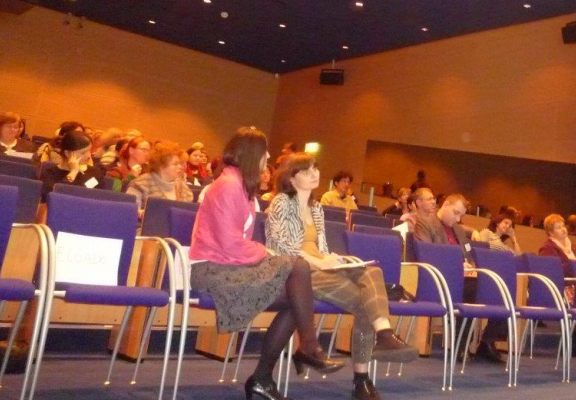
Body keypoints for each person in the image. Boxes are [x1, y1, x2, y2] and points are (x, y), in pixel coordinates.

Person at [189, 128, 344, 400]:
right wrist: (266, 252)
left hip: (230, 265)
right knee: (298, 271)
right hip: (212, 270)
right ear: (251, 154)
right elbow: (231, 244)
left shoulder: (239, 185)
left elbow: (235, 246)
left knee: (299, 294)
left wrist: (264, 254)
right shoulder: (228, 186)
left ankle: (267, 375)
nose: (269, 157)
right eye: (265, 152)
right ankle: (304, 350)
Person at [267, 153, 417, 400]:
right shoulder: (281, 203)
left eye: (315, 168)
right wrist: (319, 261)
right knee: (367, 304)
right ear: (291, 178)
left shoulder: (316, 208)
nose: (315, 174)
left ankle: (384, 335)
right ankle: (363, 377)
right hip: (298, 274)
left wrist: (336, 258)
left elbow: (321, 248)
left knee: (373, 272)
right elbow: (282, 247)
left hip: (322, 267)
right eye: (307, 171)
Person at [414, 194, 507, 363]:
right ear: (445, 205)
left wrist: (469, 265)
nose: (457, 219)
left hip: (464, 277)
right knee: (472, 289)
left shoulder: (458, 229)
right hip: (439, 279)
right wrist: (456, 264)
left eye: (461, 215)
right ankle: (460, 345)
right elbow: (426, 254)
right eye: (455, 213)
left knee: (498, 287)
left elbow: (468, 256)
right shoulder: (425, 223)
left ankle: (487, 341)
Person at [539, 213, 576, 357]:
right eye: (558, 228)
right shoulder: (547, 248)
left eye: (563, 226)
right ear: (550, 232)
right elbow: (555, 271)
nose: (563, 229)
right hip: (560, 288)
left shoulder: (574, 248)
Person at [126, 140, 194, 213]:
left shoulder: (182, 187)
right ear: (161, 166)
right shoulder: (140, 184)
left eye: (180, 163)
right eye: (175, 164)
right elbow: (130, 213)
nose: (180, 167)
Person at [38, 130, 106, 200]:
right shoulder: (50, 174)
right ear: (67, 153)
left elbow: (102, 199)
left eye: (89, 151)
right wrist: (73, 172)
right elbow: (56, 199)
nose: (88, 156)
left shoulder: (95, 172)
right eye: (83, 153)